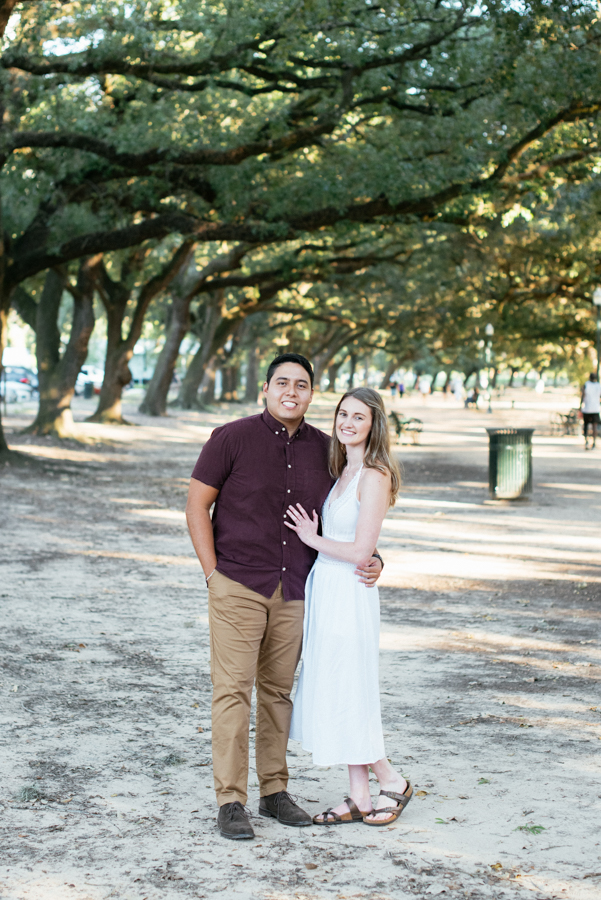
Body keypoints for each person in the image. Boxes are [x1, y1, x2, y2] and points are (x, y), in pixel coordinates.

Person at [185, 353, 383, 840]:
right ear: (266, 388)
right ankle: (231, 801)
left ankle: (274, 792)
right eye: (282, 382)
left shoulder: (326, 449)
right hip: (237, 585)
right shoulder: (231, 437)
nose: (291, 391)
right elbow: (196, 505)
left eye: (301, 384)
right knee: (233, 692)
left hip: (295, 589)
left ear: (312, 394)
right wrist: (212, 575)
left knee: (278, 694)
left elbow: (349, 514)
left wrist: (376, 558)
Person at [286, 388, 412, 828]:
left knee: (352, 688)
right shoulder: (341, 471)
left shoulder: (374, 474)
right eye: (343, 414)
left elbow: (362, 550)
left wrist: (311, 539)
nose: (348, 423)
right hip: (327, 590)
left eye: (359, 417)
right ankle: (359, 794)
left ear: (374, 425)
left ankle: (391, 780)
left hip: (350, 593)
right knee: (337, 687)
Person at [581, 372, 601, 450]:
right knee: (594, 427)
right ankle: (594, 442)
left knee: (586, 425)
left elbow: (583, 395)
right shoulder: (598, 385)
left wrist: (580, 405)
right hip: (595, 408)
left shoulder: (586, 385)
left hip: (587, 408)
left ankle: (586, 441)